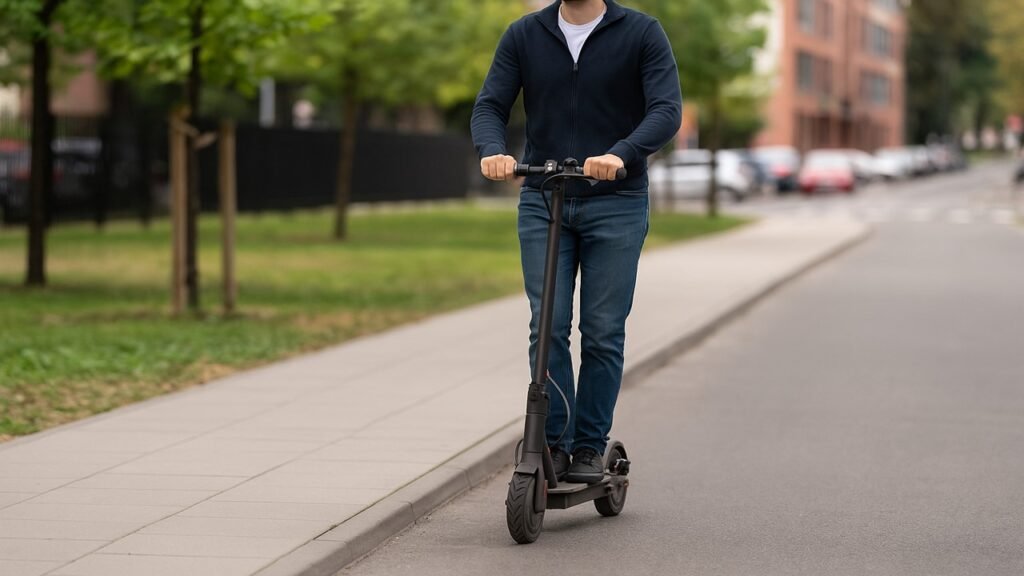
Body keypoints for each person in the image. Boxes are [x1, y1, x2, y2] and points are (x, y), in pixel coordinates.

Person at [471, 0, 682, 484]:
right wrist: (493, 150)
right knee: (547, 325)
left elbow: (666, 110)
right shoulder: (524, 34)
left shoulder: (642, 32)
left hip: (617, 201)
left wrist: (621, 153)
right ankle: (553, 441)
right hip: (544, 197)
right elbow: (490, 105)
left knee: (602, 329)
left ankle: (589, 445)